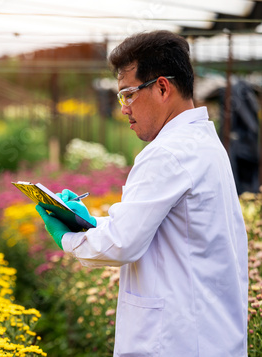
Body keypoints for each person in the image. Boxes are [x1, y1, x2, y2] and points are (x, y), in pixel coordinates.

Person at [36, 30, 248, 356]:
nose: (123, 108)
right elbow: (154, 228)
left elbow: (122, 243)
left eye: (128, 94)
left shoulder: (168, 152)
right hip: (208, 334)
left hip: (177, 341)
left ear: (162, 87)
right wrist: (92, 223)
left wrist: (67, 235)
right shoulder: (203, 142)